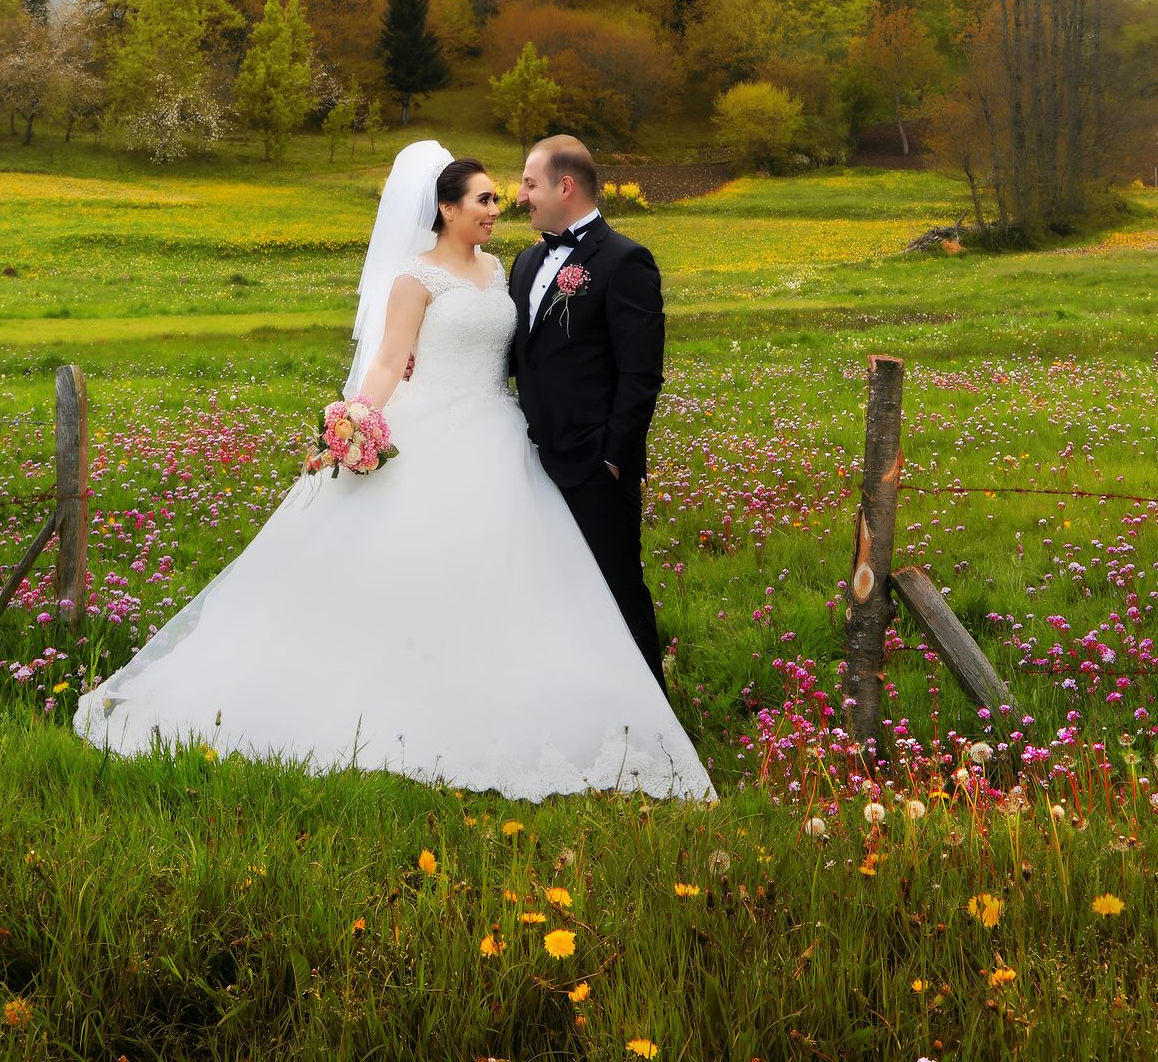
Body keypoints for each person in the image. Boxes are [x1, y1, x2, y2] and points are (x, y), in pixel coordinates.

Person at [74, 139, 714, 802]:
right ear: (446, 208)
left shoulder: (512, 268)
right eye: (486, 198)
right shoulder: (428, 276)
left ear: (565, 188)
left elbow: (559, 356)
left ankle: (624, 711)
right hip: (438, 427)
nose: (502, 205)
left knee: (549, 577)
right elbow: (388, 361)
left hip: (507, 436)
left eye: (511, 191)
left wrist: (610, 449)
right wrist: (354, 422)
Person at [510, 135, 668, 690]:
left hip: (595, 464)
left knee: (617, 590)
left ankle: (652, 718)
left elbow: (641, 373)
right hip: (530, 461)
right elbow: (519, 353)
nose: (520, 195)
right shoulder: (526, 262)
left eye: (529, 183)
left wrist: (613, 457)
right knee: (551, 591)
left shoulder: (625, 261)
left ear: (565, 186)